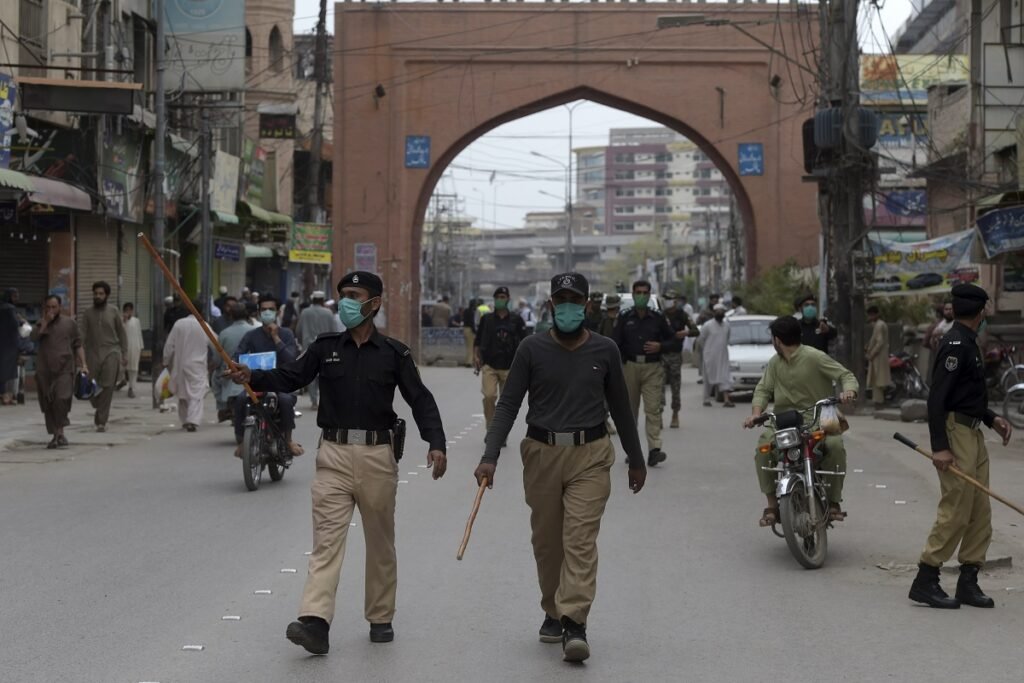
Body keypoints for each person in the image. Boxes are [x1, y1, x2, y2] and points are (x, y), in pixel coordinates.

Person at [227, 270, 447, 655]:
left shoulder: (394, 354)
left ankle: (380, 616)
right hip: (333, 456)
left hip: (378, 457)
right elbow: (291, 376)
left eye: (354, 295)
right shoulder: (325, 347)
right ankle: (315, 622)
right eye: (343, 294)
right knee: (326, 542)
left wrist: (436, 442)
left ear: (374, 303)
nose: (346, 301)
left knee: (380, 543)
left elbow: (420, 399)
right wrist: (253, 376)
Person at [473, 271, 646, 664]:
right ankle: (553, 610)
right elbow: (508, 404)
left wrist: (636, 459)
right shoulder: (531, 349)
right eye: (561, 300)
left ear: (586, 304)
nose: (568, 307)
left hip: (591, 454)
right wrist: (490, 455)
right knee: (548, 542)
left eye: (575, 300)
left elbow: (621, 407)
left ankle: (574, 622)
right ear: (551, 305)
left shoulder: (605, 350)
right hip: (542, 453)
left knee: (579, 540)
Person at [909, 284, 1013, 610]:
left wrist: (991, 418)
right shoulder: (955, 344)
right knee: (956, 507)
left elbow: (966, 395)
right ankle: (926, 577)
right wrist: (940, 446)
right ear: (981, 312)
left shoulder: (967, 341)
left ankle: (969, 579)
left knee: (980, 510)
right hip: (956, 434)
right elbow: (938, 398)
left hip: (973, 431)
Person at [744, 316, 859, 527]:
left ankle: (833, 502)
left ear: (777, 340)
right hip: (784, 422)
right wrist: (755, 413)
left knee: (835, 446)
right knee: (763, 448)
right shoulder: (775, 363)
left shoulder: (815, 357)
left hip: (820, 420)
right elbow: (763, 389)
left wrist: (849, 391)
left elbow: (846, 375)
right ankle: (772, 505)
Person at [611, 279, 679, 466]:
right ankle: (632, 451)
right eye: (638, 292)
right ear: (633, 294)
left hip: (652, 368)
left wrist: (660, 346)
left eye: (644, 293)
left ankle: (654, 449)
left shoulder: (658, 317)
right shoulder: (624, 317)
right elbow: (614, 342)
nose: (641, 296)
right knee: (629, 411)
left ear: (649, 295)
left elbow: (673, 340)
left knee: (653, 409)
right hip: (630, 367)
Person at [233, 296, 303, 458]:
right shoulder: (251, 335)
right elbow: (238, 354)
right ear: (258, 313)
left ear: (277, 312)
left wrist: (276, 337)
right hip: (257, 382)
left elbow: (291, 359)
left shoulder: (286, 334)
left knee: (285, 400)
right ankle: (241, 441)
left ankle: (288, 440)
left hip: (281, 383)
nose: (267, 312)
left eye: (271, 309)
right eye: (263, 310)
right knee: (241, 400)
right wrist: (233, 365)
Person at [31, 295, 85, 448]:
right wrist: (45, 322)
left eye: (54, 307)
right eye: (48, 307)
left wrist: (84, 364)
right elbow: (33, 338)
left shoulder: (69, 323)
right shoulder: (40, 323)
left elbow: (78, 344)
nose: (51, 310)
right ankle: (57, 435)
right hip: (45, 371)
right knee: (48, 403)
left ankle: (60, 431)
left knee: (61, 399)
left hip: (65, 369)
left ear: (60, 307)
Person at [474, 286, 526, 433]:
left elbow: (525, 343)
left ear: (508, 299)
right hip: (489, 365)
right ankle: (491, 429)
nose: (500, 300)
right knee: (489, 396)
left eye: (503, 297)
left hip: (510, 367)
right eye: (497, 297)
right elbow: (478, 340)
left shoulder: (517, 320)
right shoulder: (486, 319)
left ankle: (501, 433)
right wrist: (476, 356)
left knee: (506, 404)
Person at [81, 281, 127, 432]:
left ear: (106, 295)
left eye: (101, 294)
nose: (98, 296)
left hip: (111, 352)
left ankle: (101, 421)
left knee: (107, 386)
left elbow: (121, 333)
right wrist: (79, 355)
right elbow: (82, 335)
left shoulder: (114, 311)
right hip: (92, 353)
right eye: (95, 294)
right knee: (91, 386)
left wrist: (124, 353)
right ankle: (99, 407)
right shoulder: (87, 313)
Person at [163, 307, 210, 432]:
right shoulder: (204, 325)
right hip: (198, 366)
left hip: (180, 364)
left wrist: (165, 361)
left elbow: (169, 345)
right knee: (196, 394)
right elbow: (215, 343)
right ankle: (192, 420)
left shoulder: (179, 324)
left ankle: (184, 420)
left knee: (182, 393)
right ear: (201, 312)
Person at [295, 291, 342, 410]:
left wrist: (301, 342)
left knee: (311, 374)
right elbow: (334, 331)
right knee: (324, 374)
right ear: (322, 300)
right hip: (326, 347)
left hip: (308, 347)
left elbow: (298, 330)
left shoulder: (305, 312)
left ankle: (314, 401)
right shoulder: (328, 313)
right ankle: (324, 400)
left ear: (313, 300)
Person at [661, 289, 700, 428]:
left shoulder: (682, 315)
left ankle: (675, 414)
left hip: (675, 355)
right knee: (658, 386)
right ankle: (658, 414)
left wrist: (686, 332)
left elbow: (696, 330)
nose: (667, 301)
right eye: (665, 299)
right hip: (661, 354)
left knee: (675, 386)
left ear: (675, 301)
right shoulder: (660, 314)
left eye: (669, 299)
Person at [216, 302, 258, 422]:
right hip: (251, 372)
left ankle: (222, 408)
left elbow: (218, 358)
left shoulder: (224, 333)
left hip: (232, 373)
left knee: (216, 376)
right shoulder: (255, 331)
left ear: (231, 316)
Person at [699, 304, 735, 408]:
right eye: (718, 311)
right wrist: (707, 351)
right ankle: (706, 399)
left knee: (724, 376)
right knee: (708, 377)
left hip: (723, 356)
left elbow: (727, 339)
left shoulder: (727, 325)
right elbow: (701, 340)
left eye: (721, 311)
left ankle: (726, 400)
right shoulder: (707, 325)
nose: (720, 313)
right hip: (710, 356)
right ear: (714, 313)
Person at [865, 305, 891, 409]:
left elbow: (880, 342)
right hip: (879, 356)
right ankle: (878, 402)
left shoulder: (879, 325)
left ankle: (879, 403)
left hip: (878, 357)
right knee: (877, 380)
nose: (870, 317)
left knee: (878, 381)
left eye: (871, 315)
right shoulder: (878, 324)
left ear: (876, 314)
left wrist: (872, 354)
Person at [0, 288, 20, 405]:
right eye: (15, 296)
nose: (17, 299)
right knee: (7, 371)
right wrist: (21, 320)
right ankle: (5, 396)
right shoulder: (10, 308)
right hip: (8, 344)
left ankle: (3, 394)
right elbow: (15, 324)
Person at [121, 303, 144, 399]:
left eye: (130, 310)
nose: (128, 312)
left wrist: (141, 347)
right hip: (124, 348)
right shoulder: (121, 321)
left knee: (133, 369)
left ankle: (131, 388)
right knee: (121, 367)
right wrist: (124, 321)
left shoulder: (136, 321)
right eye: (126, 310)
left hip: (135, 346)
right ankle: (122, 380)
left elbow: (139, 334)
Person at [462, 298, 477, 366]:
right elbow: (471, 323)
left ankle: (467, 361)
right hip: (470, 330)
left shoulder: (465, 311)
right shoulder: (471, 312)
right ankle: (469, 362)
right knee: (471, 347)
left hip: (465, 329)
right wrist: (475, 331)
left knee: (468, 347)